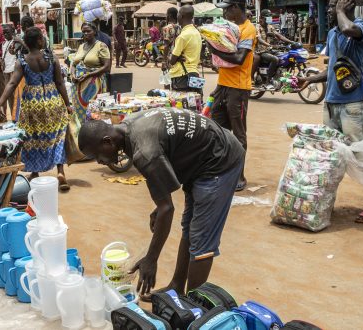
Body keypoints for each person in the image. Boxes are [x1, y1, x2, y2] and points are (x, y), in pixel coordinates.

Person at [77, 108, 244, 297]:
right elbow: (165, 185)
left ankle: (195, 307)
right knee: (189, 227)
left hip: (220, 161)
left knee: (202, 241)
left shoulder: (145, 150)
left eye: (96, 156)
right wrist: (160, 205)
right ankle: (177, 287)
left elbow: (167, 209)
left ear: (107, 141)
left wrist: (151, 259)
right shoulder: (129, 126)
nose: (99, 161)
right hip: (201, 157)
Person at [298, 0, 363, 223]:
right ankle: (326, 201)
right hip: (332, 104)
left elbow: (349, 29)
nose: (328, 11)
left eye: (333, 6)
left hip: (353, 104)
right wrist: (309, 80)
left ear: (347, 6)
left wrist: (339, 11)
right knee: (331, 156)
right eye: (329, 7)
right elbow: (333, 69)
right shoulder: (334, 33)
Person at [0, 27, 73, 190]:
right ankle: (60, 171)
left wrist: (1, 102)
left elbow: (12, 83)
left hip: (33, 103)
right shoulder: (52, 57)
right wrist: (67, 104)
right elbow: (60, 82)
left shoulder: (22, 61)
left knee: (32, 137)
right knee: (58, 135)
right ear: (39, 40)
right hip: (53, 100)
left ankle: (35, 172)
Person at [206, 0, 257, 192]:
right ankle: (223, 170)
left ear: (236, 7)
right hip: (223, 85)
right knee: (218, 130)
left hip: (238, 88)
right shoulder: (231, 28)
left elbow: (239, 59)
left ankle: (239, 175)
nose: (225, 12)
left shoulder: (248, 29)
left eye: (227, 8)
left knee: (238, 134)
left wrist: (214, 49)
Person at [70, 23, 111, 124]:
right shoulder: (81, 46)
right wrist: (72, 75)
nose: (86, 33)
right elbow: (74, 64)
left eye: (88, 31)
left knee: (93, 112)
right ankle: (80, 134)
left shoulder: (101, 46)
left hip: (94, 84)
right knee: (79, 112)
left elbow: (106, 66)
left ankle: (93, 134)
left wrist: (89, 75)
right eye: (84, 31)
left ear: (95, 32)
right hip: (78, 86)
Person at [255, 9, 292, 91]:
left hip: (269, 50)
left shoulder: (269, 27)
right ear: (262, 18)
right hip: (261, 51)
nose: (270, 18)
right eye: (268, 16)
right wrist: (268, 44)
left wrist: (291, 42)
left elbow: (279, 35)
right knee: (275, 59)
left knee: (284, 56)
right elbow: (259, 39)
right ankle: (268, 81)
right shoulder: (257, 27)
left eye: (270, 16)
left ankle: (278, 76)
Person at [168, 5, 202, 93]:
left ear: (181, 16)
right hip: (194, 74)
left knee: (182, 105)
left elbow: (172, 61)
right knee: (194, 102)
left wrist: (173, 58)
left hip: (182, 76)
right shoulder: (196, 33)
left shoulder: (183, 36)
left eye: (178, 13)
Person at [0, 25, 17, 119]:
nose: (5, 35)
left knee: (15, 95)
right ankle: (13, 117)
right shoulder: (4, 43)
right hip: (6, 72)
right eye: (4, 33)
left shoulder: (16, 42)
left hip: (14, 71)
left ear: (13, 32)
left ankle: (16, 117)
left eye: (7, 33)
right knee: (9, 95)